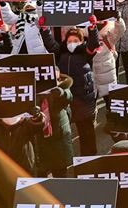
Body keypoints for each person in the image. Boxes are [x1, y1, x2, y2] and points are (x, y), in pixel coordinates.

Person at [39, 15, 100, 156]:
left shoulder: (86, 53)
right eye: (69, 41)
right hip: (66, 99)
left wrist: (93, 29)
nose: (72, 43)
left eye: (76, 41)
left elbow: (93, 43)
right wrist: (45, 30)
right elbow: (50, 44)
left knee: (86, 132)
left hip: (83, 100)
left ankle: (89, 159)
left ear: (81, 41)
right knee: (65, 131)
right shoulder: (61, 52)